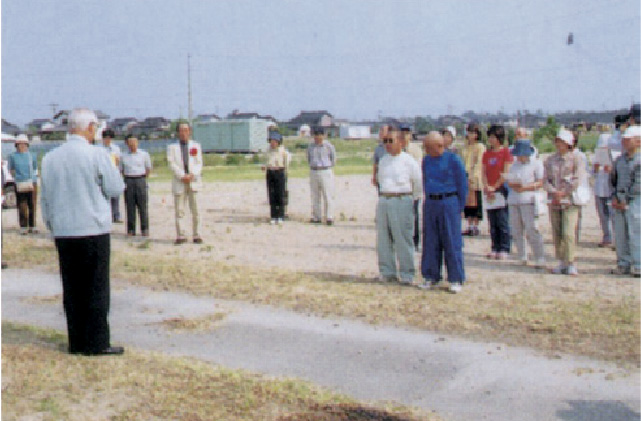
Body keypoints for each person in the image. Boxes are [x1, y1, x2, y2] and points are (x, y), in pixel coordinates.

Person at [40, 108, 125, 356]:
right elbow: (115, 187)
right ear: (89, 127)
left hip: (64, 231)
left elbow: (45, 199)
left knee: (73, 288)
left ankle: (76, 341)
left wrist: (52, 225)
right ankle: (97, 342)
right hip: (93, 229)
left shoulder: (50, 158)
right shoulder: (97, 154)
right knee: (96, 288)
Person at [419, 131, 467, 293]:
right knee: (430, 241)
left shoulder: (453, 160)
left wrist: (459, 207)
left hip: (449, 201)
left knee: (452, 241)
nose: (426, 150)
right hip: (431, 202)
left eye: (428, 147)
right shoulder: (426, 161)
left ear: (439, 146)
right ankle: (431, 276)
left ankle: (455, 278)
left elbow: (462, 185)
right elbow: (425, 181)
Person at [376, 127, 422, 285]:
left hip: (402, 199)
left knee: (403, 238)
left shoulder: (408, 161)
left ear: (401, 142)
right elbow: (380, 180)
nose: (387, 144)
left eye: (391, 141)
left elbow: (417, 182)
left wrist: (411, 199)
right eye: (385, 141)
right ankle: (387, 271)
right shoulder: (383, 160)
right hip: (384, 200)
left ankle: (407, 273)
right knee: (384, 239)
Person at [543, 129, 586, 276]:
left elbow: (577, 179)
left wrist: (564, 192)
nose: (559, 144)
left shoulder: (576, 158)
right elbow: (546, 180)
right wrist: (554, 192)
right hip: (554, 200)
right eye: (557, 141)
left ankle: (570, 261)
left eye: (562, 142)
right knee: (557, 232)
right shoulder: (550, 160)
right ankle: (561, 261)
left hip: (570, 200)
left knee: (568, 232)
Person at [505, 139, 545, 268]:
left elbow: (540, 182)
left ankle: (539, 256)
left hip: (528, 199)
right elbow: (509, 180)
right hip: (514, 198)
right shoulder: (514, 165)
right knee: (516, 229)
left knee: (532, 228)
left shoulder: (536, 164)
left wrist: (526, 187)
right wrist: (512, 183)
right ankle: (522, 255)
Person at [610, 125, 641, 277]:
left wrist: (626, 199)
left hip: (636, 201)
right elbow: (613, 180)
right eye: (624, 140)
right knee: (620, 234)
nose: (624, 142)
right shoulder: (619, 160)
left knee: (636, 233)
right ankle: (623, 263)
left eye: (628, 140)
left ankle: (638, 264)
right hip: (620, 201)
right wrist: (615, 197)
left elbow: (638, 184)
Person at [167, 122, 203, 244]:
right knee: (179, 210)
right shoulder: (172, 148)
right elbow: (171, 164)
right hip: (179, 181)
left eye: (186, 130)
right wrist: (182, 176)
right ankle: (181, 235)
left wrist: (192, 174)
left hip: (194, 181)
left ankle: (197, 234)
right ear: (177, 132)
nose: (183, 133)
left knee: (196, 210)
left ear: (190, 131)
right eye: (181, 130)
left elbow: (199, 163)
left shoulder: (196, 146)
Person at [482, 124, 513, 259]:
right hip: (489, 190)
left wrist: (495, 187)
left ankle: (504, 247)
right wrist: (486, 186)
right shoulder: (486, 154)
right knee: (492, 220)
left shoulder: (505, 153)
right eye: (489, 137)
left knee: (502, 220)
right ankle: (494, 246)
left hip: (501, 189)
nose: (491, 140)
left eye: (493, 137)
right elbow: (483, 172)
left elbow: (506, 172)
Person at [120, 135, 152, 237]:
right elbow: (121, 170)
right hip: (128, 180)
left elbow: (148, 168)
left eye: (134, 142)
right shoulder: (123, 156)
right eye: (130, 142)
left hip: (140, 179)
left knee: (142, 206)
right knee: (130, 206)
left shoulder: (144, 154)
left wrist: (142, 178)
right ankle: (131, 229)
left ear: (137, 142)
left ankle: (144, 228)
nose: (132, 144)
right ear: (127, 143)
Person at [399, 124, 423, 251]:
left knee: (414, 215)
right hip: (399, 187)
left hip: (412, 186)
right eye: (402, 133)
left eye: (407, 133)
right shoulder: (397, 147)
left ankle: (415, 240)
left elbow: (417, 168)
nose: (404, 135)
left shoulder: (416, 149)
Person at [8, 134, 38, 235]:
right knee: (21, 204)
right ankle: (23, 226)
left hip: (32, 182)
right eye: (19, 144)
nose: (22, 146)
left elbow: (35, 168)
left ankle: (33, 225)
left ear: (27, 144)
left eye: (24, 144)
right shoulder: (12, 156)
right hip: (19, 182)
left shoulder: (32, 155)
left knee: (32, 204)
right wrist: (16, 177)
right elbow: (11, 169)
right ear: (16, 145)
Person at [307, 127, 336, 225]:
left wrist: (327, 167)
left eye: (319, 135)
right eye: (315, 135)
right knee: (315, 195)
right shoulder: (310, 146)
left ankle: (329, 216)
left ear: (323, 135)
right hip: (314, 170)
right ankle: (316, 216)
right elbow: (309, 158)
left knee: (328, 194)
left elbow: (333, 158)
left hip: (325, 170)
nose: (317, 137)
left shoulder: (328, 146)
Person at [461, 123, 485, 236]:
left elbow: (479, 163)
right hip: (465, 177)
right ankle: (469, 225)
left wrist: (473, 176)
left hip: (475, 178)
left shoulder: (480, 147)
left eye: (473, 133)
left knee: (476, 204)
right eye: (469, 132)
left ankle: (475, 226)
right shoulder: (465, 147)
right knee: (468, 204)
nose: (471, 135)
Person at [262, 131, 289, 225]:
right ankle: (273, 216)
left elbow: (286, 162)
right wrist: (264, 166)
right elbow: (265, 161)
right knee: (271, 194)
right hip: (270, 172)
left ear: (278, 142)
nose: (272, 143)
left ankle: (281, 215)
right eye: (271, 141)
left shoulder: (283, 151)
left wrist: (284, 171)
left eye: (275, 141)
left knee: (280, 194)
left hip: (280, 172)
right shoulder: (268, 150)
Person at [592, 133, 614, 247]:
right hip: (599, 189)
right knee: (602, 215)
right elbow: (591, 173)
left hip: (610, 190)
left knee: (613, 215)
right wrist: (595, 168)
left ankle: (615, 238)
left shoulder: (616, 157)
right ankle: (607, 237)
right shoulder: (596, 157)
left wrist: (611, 170)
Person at [102, 129, 123, 223]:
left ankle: (116, 215)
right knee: (104, 196)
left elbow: (118, 160)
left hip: (114, 173)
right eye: (106, 138)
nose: (107, 140)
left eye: (109, 138)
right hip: (103, 173)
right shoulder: (99, 149)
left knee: (115, 196)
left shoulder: (115, 148)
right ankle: (107, 216)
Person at [371, 125, 390, 191]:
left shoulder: (393, 146)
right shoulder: (378, 148)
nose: (380, 133)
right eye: (380, 131)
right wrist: (374, 176)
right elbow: (375, 163)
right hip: (381, 177)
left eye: (383, 131)